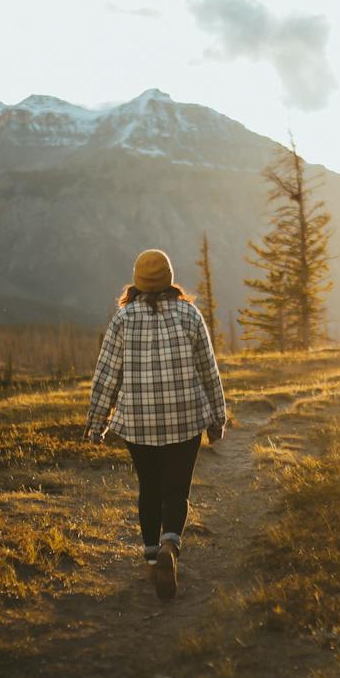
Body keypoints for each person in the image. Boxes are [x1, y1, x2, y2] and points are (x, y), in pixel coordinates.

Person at [85, 248, 227, 600]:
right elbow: (209, 370)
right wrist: (217, 418)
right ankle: (170, 546)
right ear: (169, 277)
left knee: (149, 487)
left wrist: (96, 424)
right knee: (176, 490)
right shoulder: (189, 314)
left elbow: (106, 376)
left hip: (139, 422)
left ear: (137, 280)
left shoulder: (122, 319)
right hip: (185, 417)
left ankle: (151, 558)